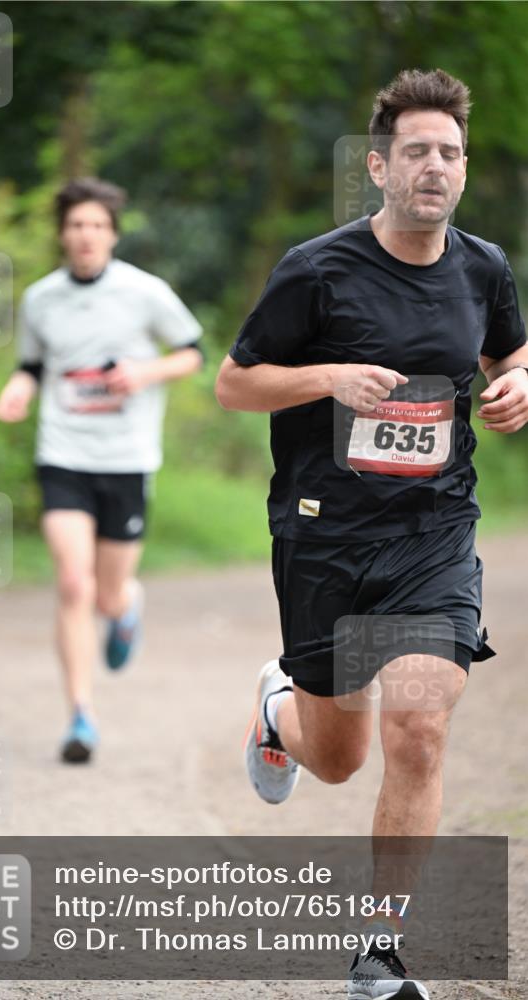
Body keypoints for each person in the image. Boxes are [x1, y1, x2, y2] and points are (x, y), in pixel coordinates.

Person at [216, 69, 527, 999]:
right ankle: (277, 712)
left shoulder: (484, 267)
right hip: (324, 537)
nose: (433, 168)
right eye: (416, 152)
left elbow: (508, 351)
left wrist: (520, 381)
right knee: (340, 760)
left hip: (432, 532)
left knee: (420, 729)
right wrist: (326, 378)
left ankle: (379, 950)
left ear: (462, 170)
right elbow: (235, 384)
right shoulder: (318, 269)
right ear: (380, 168)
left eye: (449, 153)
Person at [0, 177, 202, 764]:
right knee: (72, 583)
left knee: (106, 594)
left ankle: (125, 606)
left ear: (111, 234)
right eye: (76, 225)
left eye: (97, 226)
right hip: (63, 454)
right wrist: (17, 389)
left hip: (127, 459)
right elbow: (32, 365)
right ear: (62, 234)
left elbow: (193, 352)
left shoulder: (145, 292)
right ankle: (81, 716)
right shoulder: (40, 299)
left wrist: (144, 373)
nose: (86, 236)